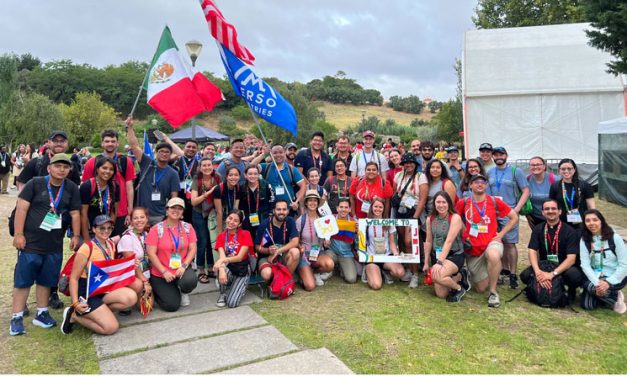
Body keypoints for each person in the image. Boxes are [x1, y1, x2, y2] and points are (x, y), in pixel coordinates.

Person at [10, 153, 81, 336]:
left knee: (46, 279)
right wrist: (18, 234)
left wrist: (76, 235)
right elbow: (22, 208)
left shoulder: (71, 188)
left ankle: (42, 313)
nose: (62, 169)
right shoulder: (36, 183)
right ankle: (16, 317)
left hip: (54, 244)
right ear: (49, 168)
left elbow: (75, 213)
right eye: (58, 166)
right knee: (23, 280)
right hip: (30, 242)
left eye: (65, 166)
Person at [60, 214, 137, 335]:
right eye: (102, 228)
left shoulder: (110, 245)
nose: (106, 231)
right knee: (111, 328)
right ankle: (74, 315)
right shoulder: (87, 248)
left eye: (109, 228)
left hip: (103, 287)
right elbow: (74, 278)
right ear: (94, 229)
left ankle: (97, 312)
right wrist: (75, 302)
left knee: (131, 297)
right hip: (87, 291)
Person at [455, 174, 518, 308]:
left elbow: (514, 217)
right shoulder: (464, 202)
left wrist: (501, 234)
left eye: (483, 182)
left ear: (486, 185)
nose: (480, 184)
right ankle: (478, 274)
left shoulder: (494, 201)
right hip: (473, 248)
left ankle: (493, 292)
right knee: (480, 288)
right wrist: (463, 230)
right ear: (470, 185)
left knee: (493, 255)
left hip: (491, 242)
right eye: (476, 182)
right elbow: (454, 217)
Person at [520, 199, 583, 302]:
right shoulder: (538, 229)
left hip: (564, 266)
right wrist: (538, 273)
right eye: (547, 209)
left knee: (574, 276)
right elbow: (532, 251)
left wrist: (552, 275)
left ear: (560, 211)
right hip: (545, 265)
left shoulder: (570, 231)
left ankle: (567, 289)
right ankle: (547, 285)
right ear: (543, 212)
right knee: (525, 276)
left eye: (553, 208)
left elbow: (571, 259)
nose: (550, 211)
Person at [486, 146, 529, 289]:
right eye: (496, 154)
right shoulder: (490, 172)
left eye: (501, 154)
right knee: (498, 241)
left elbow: (525, 191)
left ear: (506, 155)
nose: (498, 157)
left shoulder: (516, 171)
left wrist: (516, 209)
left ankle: (512, 273)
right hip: (494, 213)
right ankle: (502, 270)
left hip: (509, 212)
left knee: (510, 243)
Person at [146, 198, 198, 312]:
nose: (176, 210)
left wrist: (184, 266)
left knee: (190, 281)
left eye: (180, 208)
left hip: (180, 268)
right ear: (167, 210)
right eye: (173, 207)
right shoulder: (156, 229)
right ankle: (160, 290)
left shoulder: (188, 227)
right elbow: (151, 253)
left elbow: (193, 249)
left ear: (183, 212)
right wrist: (164, 271)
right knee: (172, 306)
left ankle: (182, 290)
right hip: (161, 273)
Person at [82, 129, 136, 237]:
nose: (110, 144)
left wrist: (130, 210)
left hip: (120, 212)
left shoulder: (125, 161)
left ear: (117, 143)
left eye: (113, 141)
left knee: (117, 247)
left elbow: (129, 187)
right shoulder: (91, 163)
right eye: (107, 141)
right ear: (102, 143)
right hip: (97, 212)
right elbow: (85, 186)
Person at [126, 118, 180, 225]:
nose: (164, 154)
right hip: (140, 215)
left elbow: (174, 197)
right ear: (156, 153)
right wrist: (130, 127)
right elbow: (134, 146)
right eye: (161, 151)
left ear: (170, 155)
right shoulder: (147, 163)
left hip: (160, 216)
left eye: (167, 152)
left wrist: (171, 216)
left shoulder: (173, 174)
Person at [423, 192, 469, 302]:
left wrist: (439, 263)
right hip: (438, 255)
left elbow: (449, 242)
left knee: (437, 276)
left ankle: (459, 289)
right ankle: (458, 277)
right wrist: (426, 262)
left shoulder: (455, 217)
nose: (441, 205)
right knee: (441, 294)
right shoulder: (430, 219)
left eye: (444, 202)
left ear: (449, 203)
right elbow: (428, 241)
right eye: (438, 202)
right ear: (434, 204)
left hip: (454, 255)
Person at [579, 209, 627, 313]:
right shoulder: (584, 240)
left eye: (595, 220)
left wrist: (608, 282)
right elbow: (585, 265)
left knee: (590, 290)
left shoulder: (614, 238)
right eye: (588, 221)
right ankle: (612, 297)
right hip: (595, 276)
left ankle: (614, 296)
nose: (591, 223)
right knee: (587, 305)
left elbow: (624, 264)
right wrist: (597, 283)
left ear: (601, 221)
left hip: (614, 276)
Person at [392, 152, 428, 288]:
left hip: (413, 212)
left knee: (410, 242)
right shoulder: (398, 176)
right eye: (406, 162)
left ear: (415, 163)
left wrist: (415, 218)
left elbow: (423, 199)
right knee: (401, 241)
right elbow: (396, 193)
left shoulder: (421, 177)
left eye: (411, 162)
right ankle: (407, 269)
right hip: (401, 211)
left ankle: (415, 274)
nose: (408, 164)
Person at [361, 198, 405, 289]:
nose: (378, 209)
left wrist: (396, 254)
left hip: (386, 256)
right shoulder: (365, 222)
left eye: (380, 207)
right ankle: (370, 271)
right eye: (375, 206)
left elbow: (392, 242)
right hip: (372, 257)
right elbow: (362, 243)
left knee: (400, 273)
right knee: (376, 285)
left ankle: (385, 271)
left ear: (384, 208)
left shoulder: (388, 222)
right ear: (371, 208)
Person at [213, 210, 254, 308]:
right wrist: (221, 268)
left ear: (239, 224)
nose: (231, 222)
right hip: (229, 267)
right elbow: (222, 257)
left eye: (235, 221)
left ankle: (239, 287)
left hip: (242, 269)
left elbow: (239, 258)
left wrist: (221, 262)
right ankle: (223, 293)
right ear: (226, 218)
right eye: (230, 218)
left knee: (232, 303)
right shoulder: (221, 236)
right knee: (221, 268)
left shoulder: (245, 234)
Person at [117, 207, 154, 314]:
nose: (139, 220)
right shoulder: (127, 238)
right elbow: (132, 264)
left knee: (148, 308)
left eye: (142, 217)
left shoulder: (147, 234)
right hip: (132, 274)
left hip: (146, 271)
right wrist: (145, 282)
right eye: (135, 218)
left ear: (147, 219)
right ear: (131, 221)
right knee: (145, 308)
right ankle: (126, 300)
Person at [295, 190, 335, 290]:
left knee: (330, 264)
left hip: (318, 253)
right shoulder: (301, 220)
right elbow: (296, 241)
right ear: (306, 203)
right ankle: (302, 273)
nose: (312, 203)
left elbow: (327, 236)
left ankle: (314, 272)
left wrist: (327, 241)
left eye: (315, 201)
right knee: (310, 286)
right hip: (304, 255)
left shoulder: (323, 219)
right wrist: (300, 248)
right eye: (310, 200)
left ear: (318, 203)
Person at [190, 157, 221, 283]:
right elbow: (193, 201)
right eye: (204, 165)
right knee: (202, 241)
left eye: (209, 165)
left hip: (213, 212)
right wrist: (207, 194)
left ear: (212, 166)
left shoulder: (217, 177)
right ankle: (201, 269)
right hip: (199, 213)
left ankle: (211, 267)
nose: (207, 167)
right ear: (200, 167)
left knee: (211, 240)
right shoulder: (197, 179)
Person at [255, 200, 301, 280]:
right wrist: (268, 250)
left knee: (295, 252)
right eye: (278, 209)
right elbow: (257, 247)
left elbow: (295, 241)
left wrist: (278, 251)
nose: (281, 212)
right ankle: (278, 282)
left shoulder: (290, 221)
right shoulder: (264, 224)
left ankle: (284, 282)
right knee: (266, 274)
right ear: (273, 211)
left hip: (282, 254)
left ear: (287, 211)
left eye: (284, 209)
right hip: (267, 257)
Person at [80, 157, 120, 241]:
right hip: (90, 231)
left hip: (105, 232)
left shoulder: (115, 186)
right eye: (104, 168)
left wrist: (108, 231)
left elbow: (114, 211)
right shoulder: (87, 186)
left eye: (111, 169)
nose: (107, 171)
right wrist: (86, 237)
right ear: (97, 169)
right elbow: (83, 214)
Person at [549, 158, 595, 230]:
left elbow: (591, 207)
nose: (566, 171)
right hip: (561, 224)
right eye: (563, 169)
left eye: (569, 169)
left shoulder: (585, 185)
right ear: (559, 170)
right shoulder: (555, 186)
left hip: (581, 224)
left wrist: (591, 221)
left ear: (574, 170)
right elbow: (552, 205)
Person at [260, 144, 306, 214]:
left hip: (288, 209)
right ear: (271, 154)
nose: (278, 155)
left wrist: (296, 201)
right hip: (269, 210)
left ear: (284, 153)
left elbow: (303, 185)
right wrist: (263, 154)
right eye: (275, 153)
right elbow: (250, 166)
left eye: (281, 152)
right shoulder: (265, 167)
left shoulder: (292, 169)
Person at [323, 199, 358, 283]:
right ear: (337, 208)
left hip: (346, 254)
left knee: (351, 279)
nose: (343, 209)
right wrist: (326, 240)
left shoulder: (354, 222)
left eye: (346, 207)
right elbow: (324, 233)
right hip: (332, 252)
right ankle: (330, 269)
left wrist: (358, 233)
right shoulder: (330, 219)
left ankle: (340, 267)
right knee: (327, 259)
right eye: (341, 207)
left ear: (350, 209)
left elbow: (358, 242)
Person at [238, 165, 274, 234]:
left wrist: (270, 217)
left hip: (264, 218)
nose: (253, 176)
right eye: (250, 174)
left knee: (263, 241)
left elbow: (272, 202)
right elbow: (240, 206)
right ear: (245, 175)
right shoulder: (241, 188)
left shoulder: (266, 185)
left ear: (258, 175)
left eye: (255, 174)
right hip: (248, 220)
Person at [526, 156, 559, 229]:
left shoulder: (554, 180)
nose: (535, 167)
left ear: (544, 166)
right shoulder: (526, 180)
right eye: (533, 165)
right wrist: (527, 215)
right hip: (535, 218)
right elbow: (524, 199)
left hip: (553, 216)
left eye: (538, 164)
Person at [214, 166, 242, 233]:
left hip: (231, 217)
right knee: (218, 241)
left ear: (239, 177)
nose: (233, 177)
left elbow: (236, 208)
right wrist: (220, 231)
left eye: (236, 175)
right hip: (218, 218)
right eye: (230, 175)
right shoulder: (219, 189)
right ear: (226, 177)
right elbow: (219, 212)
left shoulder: (238, 188)